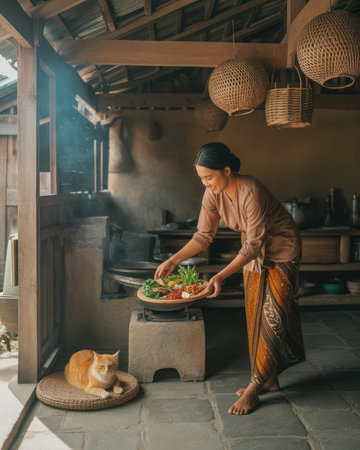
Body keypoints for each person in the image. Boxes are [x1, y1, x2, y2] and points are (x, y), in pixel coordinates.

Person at [155, 142, 305, 415]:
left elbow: (252, 246)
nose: (205, 183)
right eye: (201, 178)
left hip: (282, 250)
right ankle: (269, 379)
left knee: (273, 315)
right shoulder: (213, 193)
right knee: (254, 314)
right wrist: (173, 260)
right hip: (255, 255)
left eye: (209, 177)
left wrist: (220, 275)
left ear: (226, 170)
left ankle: (254, 388)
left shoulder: (251, 191)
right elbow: (203, 236)